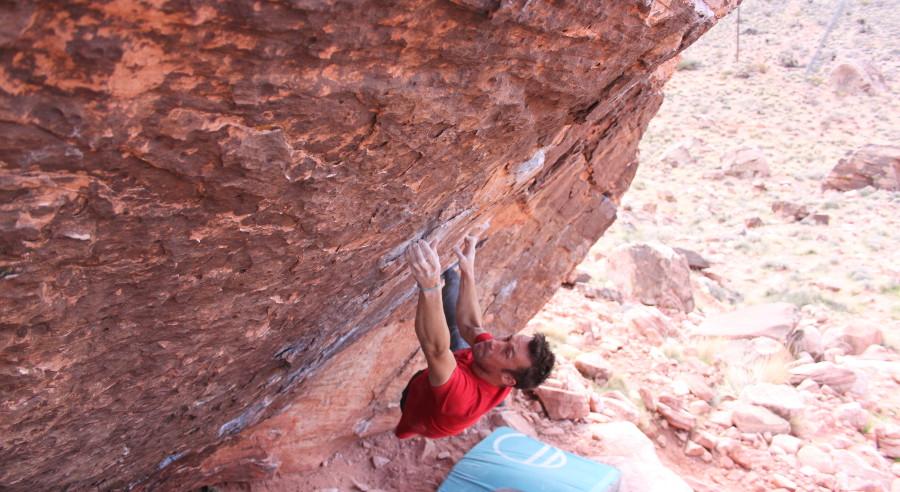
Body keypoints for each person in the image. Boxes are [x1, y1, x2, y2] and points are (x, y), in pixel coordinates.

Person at [395, 233, 556, 439]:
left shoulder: (462, 399)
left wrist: (429, 285)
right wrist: (467, 270)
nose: (494, 342)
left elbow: (436, 351)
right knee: (457, 327)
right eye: (506, 339)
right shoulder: (496, 362)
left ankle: (406, 429)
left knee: (442, 352)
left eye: (506, 351)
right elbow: (471, 326)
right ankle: (449, 274)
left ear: (508, 378)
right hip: (467, 370)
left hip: (420, 409)